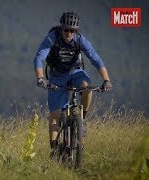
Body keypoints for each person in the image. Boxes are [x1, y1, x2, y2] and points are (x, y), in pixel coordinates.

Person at [33, 11, 112, 153]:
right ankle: (54, 148)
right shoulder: (53, 38)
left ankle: (81, 120)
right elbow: (39, 58)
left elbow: (96, 59)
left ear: (76, 31)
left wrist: (107, 80)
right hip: (56, 76)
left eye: (72, 31)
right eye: (66, 30)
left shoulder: (80, 39)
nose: (69, 33)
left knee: (86, 87)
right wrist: (40, 78)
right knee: (56, 114)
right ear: (61, 28)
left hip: (76, 73)